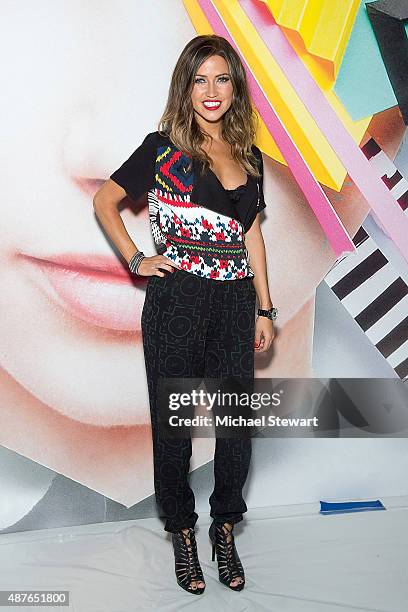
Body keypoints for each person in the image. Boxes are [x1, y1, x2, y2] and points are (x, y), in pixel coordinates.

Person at [93, 34, 277, 594]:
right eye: (200, 79)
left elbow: (250, 237)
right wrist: (136, 260)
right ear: (186, 86)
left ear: (235, 87)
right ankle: (184, 534)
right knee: (175, 425)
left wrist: (264, 307)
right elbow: (105, 200)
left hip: (234, 301)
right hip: (178, 302)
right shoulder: (162, 148)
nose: (211, 91)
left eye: (222, 78)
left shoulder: (248, 156)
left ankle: (224, 529)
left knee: (234, 424)